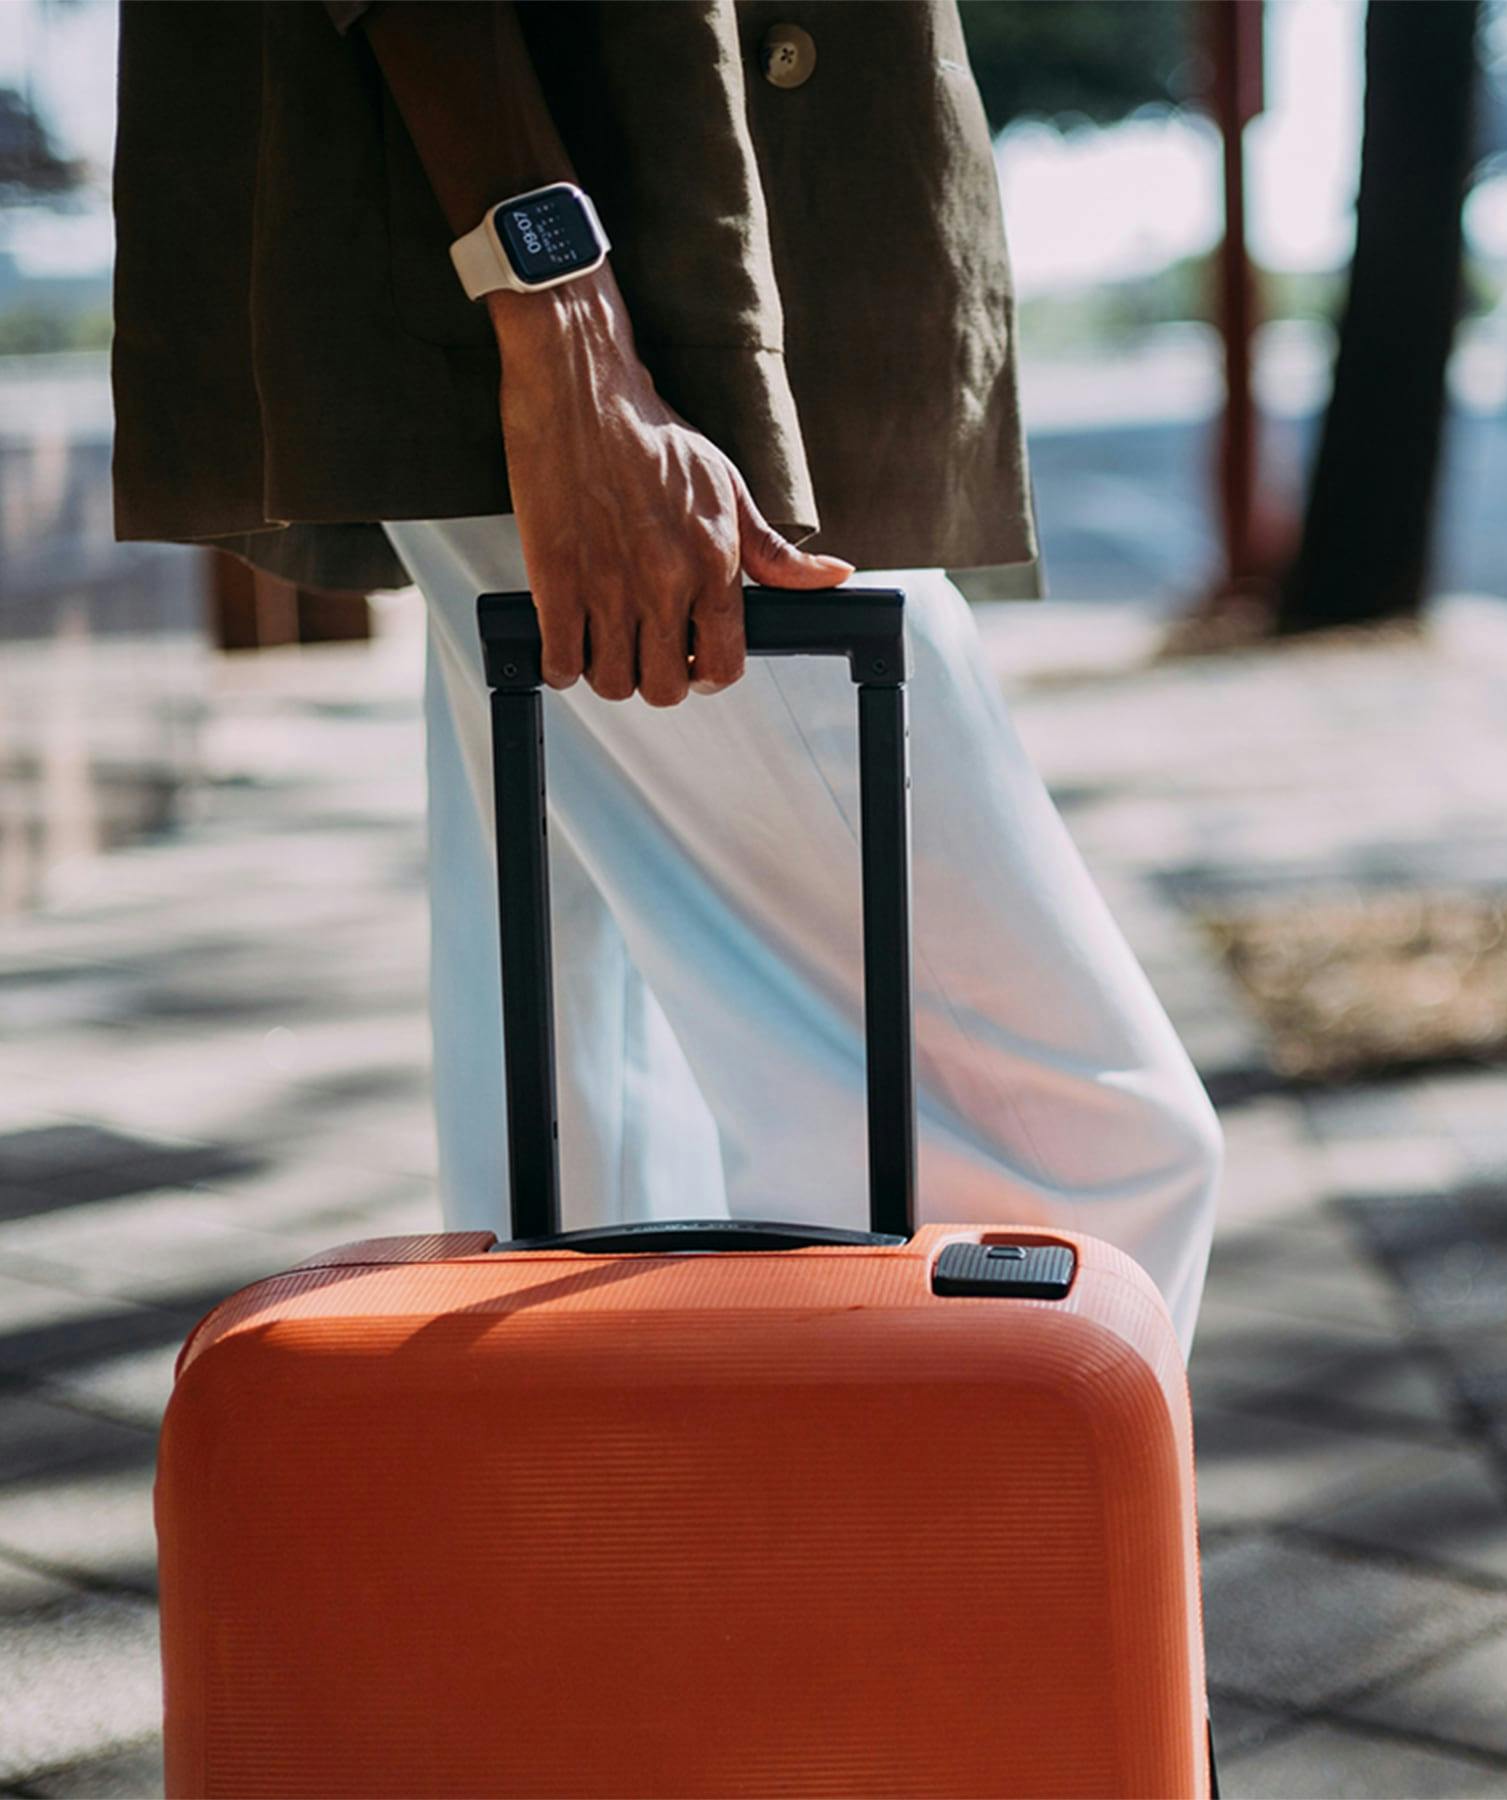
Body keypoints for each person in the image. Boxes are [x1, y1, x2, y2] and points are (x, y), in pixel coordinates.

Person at [111, 1, 1221, 1348]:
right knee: (1076, 1163)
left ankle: (653, 1556)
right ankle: (877, 1560)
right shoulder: (585, 332)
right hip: (633, 325)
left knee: (596, 1174)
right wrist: (554, 298)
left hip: (615, 308)